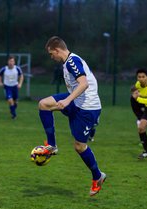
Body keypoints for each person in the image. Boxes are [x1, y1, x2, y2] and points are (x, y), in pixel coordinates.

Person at [37, 36, 106, 196]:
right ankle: (52, 146)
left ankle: (98, 176)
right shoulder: (67, 62)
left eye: (50, 53)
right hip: (77, 102)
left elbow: (84, 83)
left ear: (57, 50)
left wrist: (67, 100)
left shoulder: (72, 62)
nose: (51, 57)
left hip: (88, 109)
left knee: (79, 147)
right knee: (43, 105)